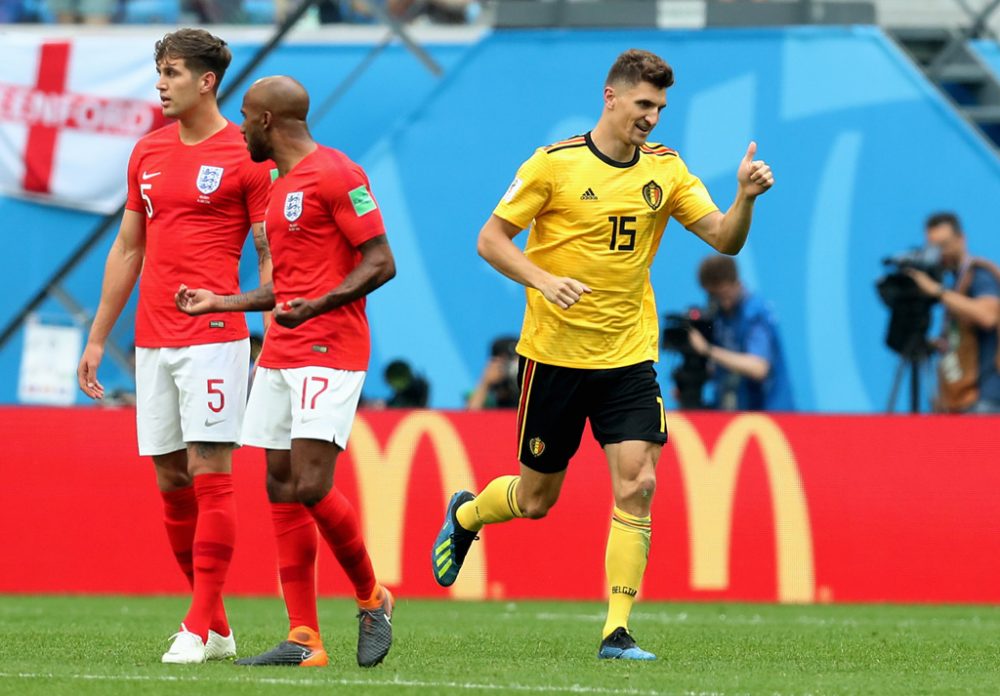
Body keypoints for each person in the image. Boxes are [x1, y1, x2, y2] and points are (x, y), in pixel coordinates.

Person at [431, 48, 773, 660]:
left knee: (639, 484)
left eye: (661, 108)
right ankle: (469, 515)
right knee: (537, 501)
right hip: (553, 356)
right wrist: (541, 279)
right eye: (644, 104)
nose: (653, 118)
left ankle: (616, 630)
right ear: (610, 97)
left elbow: (724, 236)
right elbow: (490, 239)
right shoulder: (552, 165)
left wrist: (744, 198)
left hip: (628, 357)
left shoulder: (666, 170)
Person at [175, 75, 397, 668]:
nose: (240, 127)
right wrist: (220, 302)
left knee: (311, 484)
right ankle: (304, 637)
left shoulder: (339, 174)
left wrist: (321, 305)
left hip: (331, 347)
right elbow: (285, 288)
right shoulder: (276, 189)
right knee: (277, 483)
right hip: (278, 350)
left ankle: (373, 598)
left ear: (267, 121)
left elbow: (381, 261)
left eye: (244, 117)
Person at [76, 29, 273, 664]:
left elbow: (272, 259)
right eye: (159, 71)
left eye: (172, 72)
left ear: (207, 81)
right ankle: (215, 625)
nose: (161, 83)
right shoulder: (147, 152)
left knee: (210, 473)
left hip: (214, 336)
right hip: (153, 337)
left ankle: (195, 625)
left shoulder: (248, 155)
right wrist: (98, 335)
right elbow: (129, 247)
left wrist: (252, 309)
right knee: (169, 477)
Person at [906, 212, 1000, 413]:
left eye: (944, 245)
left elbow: (988, 316)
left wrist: (937, 291)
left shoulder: (979, 275)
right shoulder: (954, 281)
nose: (941, 253)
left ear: (961, 239)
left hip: (985, 398)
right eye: (933, 247)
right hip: (961, 399)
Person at [686, 255, 794, 411]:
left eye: (722, 294)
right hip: (733, 413)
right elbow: (723, 364)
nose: (721, 301)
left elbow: (759, 368)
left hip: (770, 416)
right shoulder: (718, 314)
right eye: (712, 295)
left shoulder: (755, 312)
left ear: (735, 283)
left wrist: (708, 350)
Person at [466, 336, 520, 409]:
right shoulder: (488, 398)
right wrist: (485, 384)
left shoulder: (528, 395)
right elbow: (469, 416)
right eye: (506, 363)